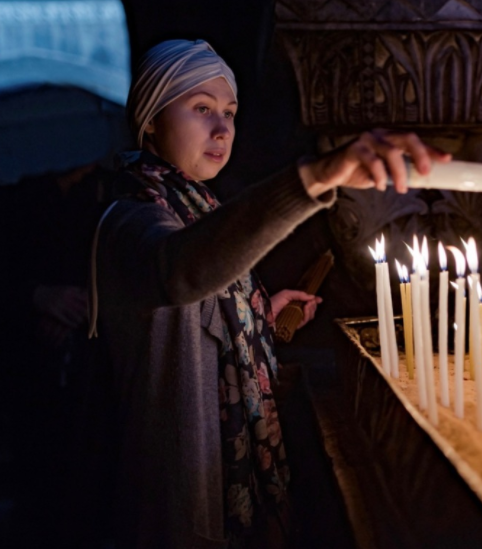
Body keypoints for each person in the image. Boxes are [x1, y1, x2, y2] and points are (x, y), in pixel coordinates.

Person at [89, 39, 449, 549]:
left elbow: (202, 288)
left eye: (230, 112)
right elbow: (181, 270)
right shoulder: (130, 216)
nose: (222, 129)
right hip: (177, 506)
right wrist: (312, 179)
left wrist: (257, 313)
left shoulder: (197, 207)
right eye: (201, 109)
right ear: (150, 119)